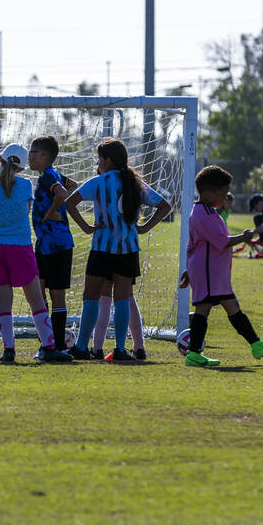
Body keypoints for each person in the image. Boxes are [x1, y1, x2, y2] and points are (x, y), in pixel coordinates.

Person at [62, 137, 172, 362]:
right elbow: (164, 206)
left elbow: (69, 203)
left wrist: (86, 227)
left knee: (91, 297)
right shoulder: (134, 183)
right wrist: (143, 228)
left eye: (100, 159)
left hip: (102, 247)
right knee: (122, 298)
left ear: (108, 160)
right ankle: (121, 349)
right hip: (128, 248)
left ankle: (82, 346)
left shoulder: (98, 182)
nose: (98, 163)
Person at [179, 165, 263, 367]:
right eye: (223, 194)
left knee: (233, 309)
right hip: (208, 271)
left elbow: (195, 244)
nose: (225, 199)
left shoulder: (209, 210)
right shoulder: (202, 213)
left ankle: (256, 344)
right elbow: (221, 241)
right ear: (208, 193)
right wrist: (243, 237)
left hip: (213, 272)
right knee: (203, 309)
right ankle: (194, 354)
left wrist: (188, 268)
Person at [0, 144, 60, 363]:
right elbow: (25, 210)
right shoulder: (25, 185)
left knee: (4, 300)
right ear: (21, 168)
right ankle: (49, 346)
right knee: (35, 300)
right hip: (20, 247)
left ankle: (9, 350)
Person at [27, 135, 76, 362]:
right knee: (40, 292)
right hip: (45, 244)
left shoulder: (48, 176)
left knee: (56, 295)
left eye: (33, 151)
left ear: (45, 156)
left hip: (57, 245)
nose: (30, 155)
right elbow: (72, 186)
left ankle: (56, 347)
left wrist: (50, 213)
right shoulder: (50, 174)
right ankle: (47, 343)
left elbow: (63, 193)